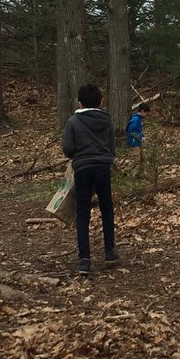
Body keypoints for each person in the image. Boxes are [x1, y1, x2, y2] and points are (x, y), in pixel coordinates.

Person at [62, 83, 117, 275]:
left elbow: (68, 149)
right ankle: (110, 251)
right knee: (107, 208)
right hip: (103, 168)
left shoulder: (73, 122)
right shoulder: (107, 121)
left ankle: (84, 259)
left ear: (80, 103)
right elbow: (112, 148)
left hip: (83, 169)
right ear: (101, 102)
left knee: (83, 212)